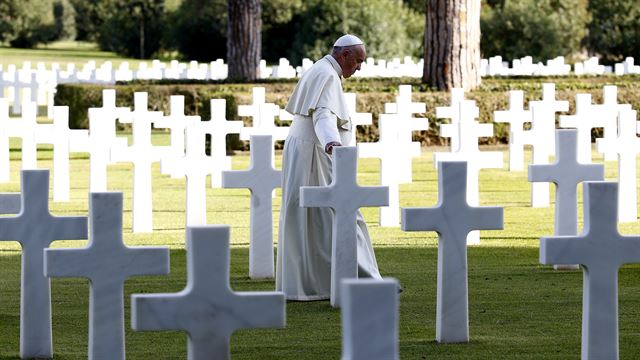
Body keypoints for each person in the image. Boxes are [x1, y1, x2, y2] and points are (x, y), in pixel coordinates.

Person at [275, 34, 382, 301]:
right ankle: (366, 279)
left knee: (314, 218)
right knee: (339, 212)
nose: (358, 68)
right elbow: (323, 116)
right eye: (357, 61)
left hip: (308, 149)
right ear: (343, 55)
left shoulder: (322, 70)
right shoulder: (326, 74)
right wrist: (332, 142)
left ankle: (317, 282)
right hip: (316, 153)